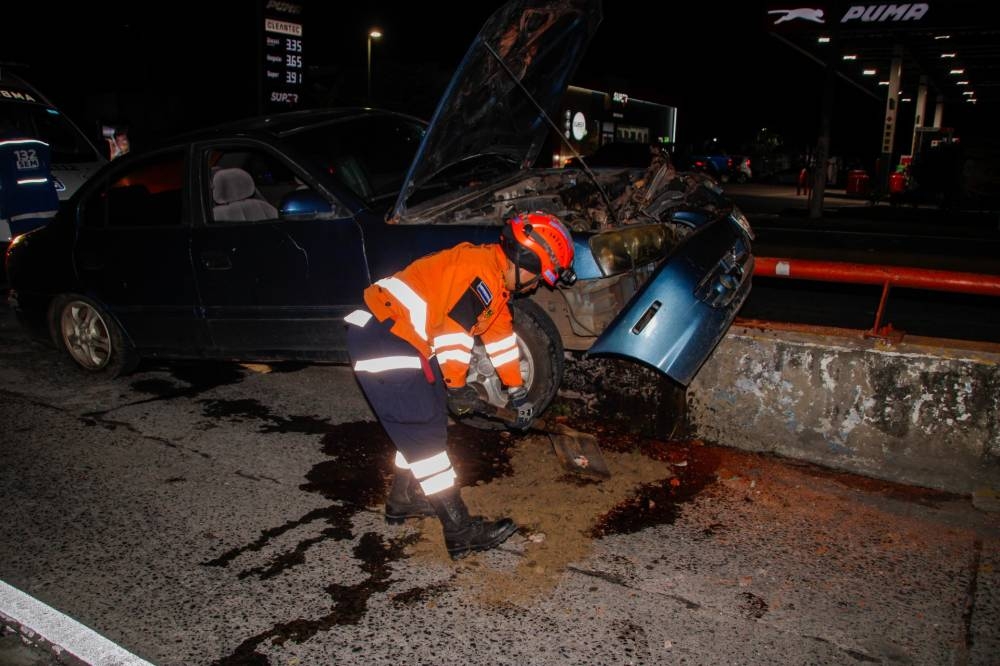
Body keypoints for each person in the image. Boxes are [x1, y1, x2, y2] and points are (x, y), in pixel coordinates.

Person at [345, 211, 576, 560]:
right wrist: (456, 386)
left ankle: (403, 499)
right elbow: (453, 334)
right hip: (384, 337)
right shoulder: (479, 275)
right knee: (424, 437)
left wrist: (517, 392)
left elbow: (500, 339)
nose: (536, 286)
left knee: (428, 425)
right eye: (538, 277)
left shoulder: (494, 282)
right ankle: (460, 530)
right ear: (524, 260)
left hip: (399, 336)